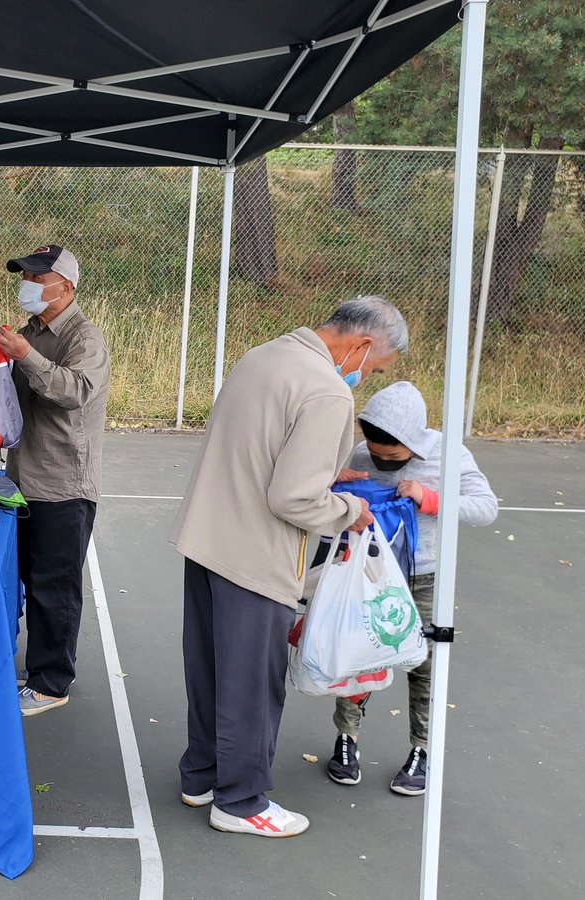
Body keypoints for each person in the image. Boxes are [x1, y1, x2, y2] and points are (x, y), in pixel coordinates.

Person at [169, 295, 407, 838]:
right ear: (363, 344)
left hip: (208, 538)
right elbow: (293, 499)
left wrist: (326, 476)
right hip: (257, 556)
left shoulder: (264, 356)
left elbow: (261, 448)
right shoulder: (327, 391)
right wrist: (349, 509)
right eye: (374, 368)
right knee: (253, 683)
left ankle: (202, 774)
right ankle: (242, 800)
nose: (365, 378)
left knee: (209, 669)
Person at [0, 244, 110, 716]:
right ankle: (25, 663)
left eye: (36, 277)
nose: (27, 284)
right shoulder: (28, 332)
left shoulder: (85, 338)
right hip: (21, 479)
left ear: (65, 286)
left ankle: (51, 681)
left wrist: (25, 356)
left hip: (63, 484)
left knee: (54, 585)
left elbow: (76, 392)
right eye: (24, 275)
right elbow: (3, 392)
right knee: (23, 577)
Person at [325, 381, 498, 796]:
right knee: (358, 657)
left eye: (393, 458)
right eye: (374, 453)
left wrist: (430, 498)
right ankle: (346, 740)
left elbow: (486, 507)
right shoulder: (358, 449)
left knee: (423, 664)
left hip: (422, 577)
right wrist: (333, 478)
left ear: (414, 444)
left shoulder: (449, 453)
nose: (380, 462)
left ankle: (421, 750)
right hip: (366, 572)